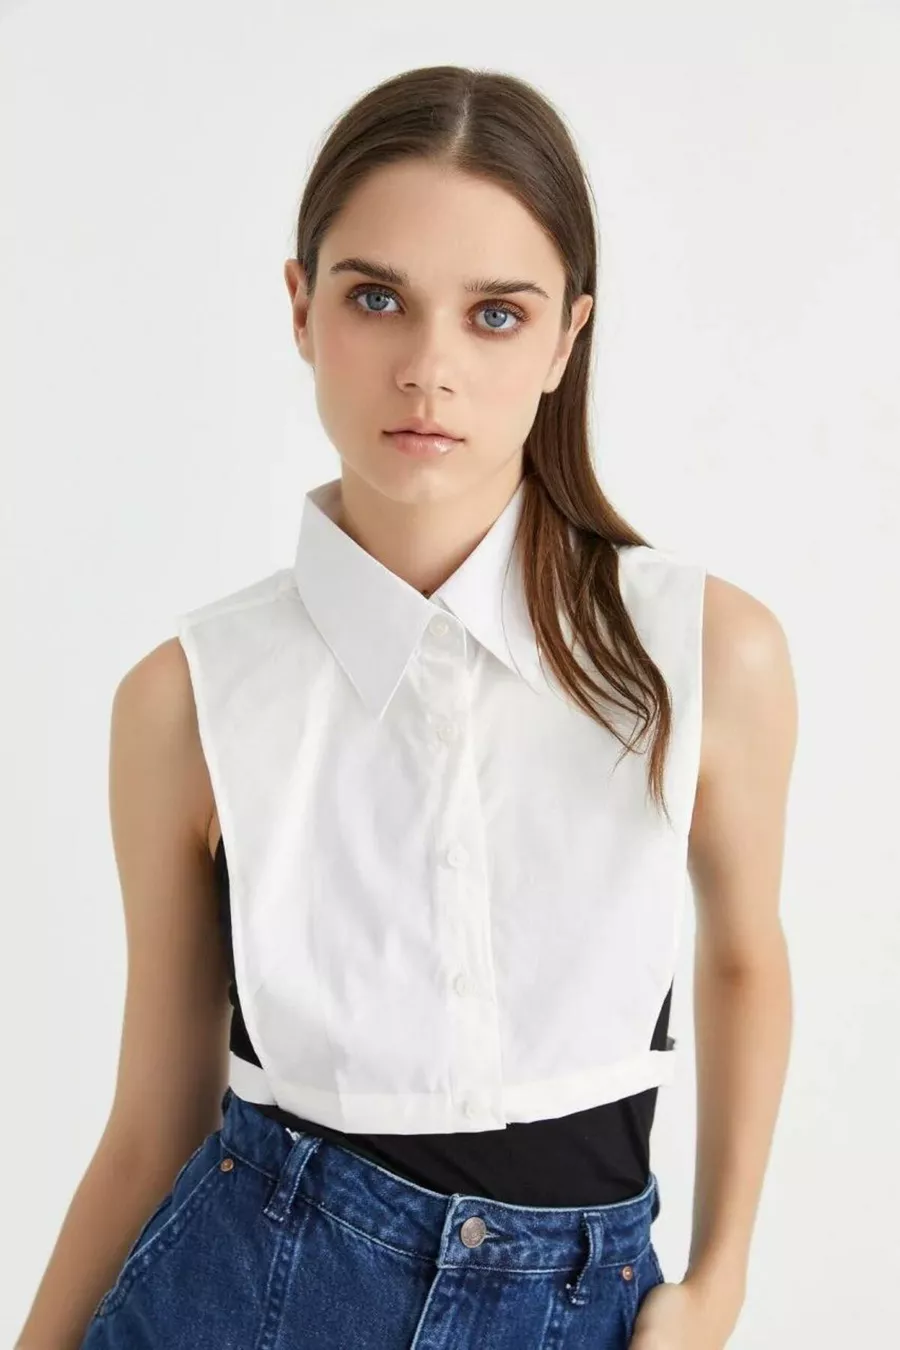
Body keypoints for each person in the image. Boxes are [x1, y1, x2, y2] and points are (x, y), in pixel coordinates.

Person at [18, 64, 796, 1350]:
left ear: (565, 340)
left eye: (495, 314)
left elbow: (743, 956)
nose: (429, 368)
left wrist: (719, 1284)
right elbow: (154, 1125)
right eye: (376, 298)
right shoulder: (186, 701)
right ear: (301, 309)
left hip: (582, 1306)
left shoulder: (706, 653)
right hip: (242, 1298)